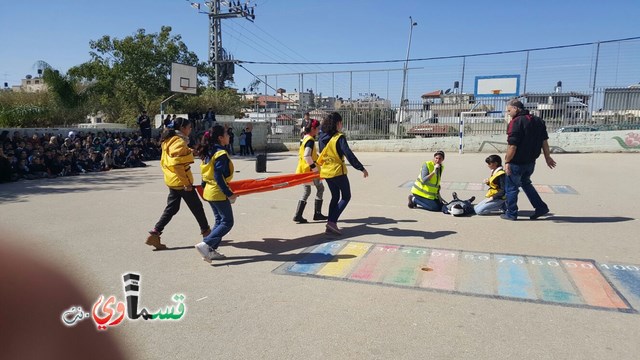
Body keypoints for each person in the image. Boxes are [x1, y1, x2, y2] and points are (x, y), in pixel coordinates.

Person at [146, 118, 211, 250]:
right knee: (197, 208)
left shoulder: (169, 139)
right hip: (181, 181)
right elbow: (177, 164)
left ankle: (155, 233)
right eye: (189, 127)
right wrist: (187, 184)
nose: (190, 130)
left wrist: (190, 152)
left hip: (172, 180)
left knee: (172, 208)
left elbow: (175, 158)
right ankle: (208, 234)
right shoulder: (179, 141)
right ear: (182, 128)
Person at [502, 99, 557, 220]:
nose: (508, 113)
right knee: (526, 183)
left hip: (516, 162)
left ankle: (511, 213)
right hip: (530, 162)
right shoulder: (538, 121)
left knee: (511, 187)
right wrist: (547, 157)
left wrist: (507, 161)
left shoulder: (516, 122)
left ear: (516, 108)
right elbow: (544, 141)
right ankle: (540, 207)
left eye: (509, 110)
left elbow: (512, 145)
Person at [317, 112, 368, 235]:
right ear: (337, 124)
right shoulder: (339, 137)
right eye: (341, 122)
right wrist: (361, 168)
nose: (342, 125)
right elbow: (348, 154)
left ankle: (330, 223)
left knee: (335, 196)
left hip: (326, 172)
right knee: (346, 196)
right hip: (337, 171)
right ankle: (332, 222)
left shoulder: (321, 137)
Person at [195, 125, 237, 262]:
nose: (229, 136)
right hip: (217, 191)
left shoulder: (209, 151)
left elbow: (204, 171)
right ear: (220, 138)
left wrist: (203, 187)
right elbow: (218, 176)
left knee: (219, 220)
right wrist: (229, 193)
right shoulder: (220, 153)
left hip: (209, 190)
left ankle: (210, 250)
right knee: (227, 222)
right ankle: (206, 244)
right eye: (227, 134)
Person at [293, 119, 328, 224]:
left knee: (307, 191)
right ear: (313, 129)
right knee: (320, 188)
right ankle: (317, 213)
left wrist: (317, 156)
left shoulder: (305, 138)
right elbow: (307, 155)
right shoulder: (310, 140)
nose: (318, 131)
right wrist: (315, 169)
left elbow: (308, 154)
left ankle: (298, 214)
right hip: (310, 171)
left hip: (302, 169)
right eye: (317, 129)